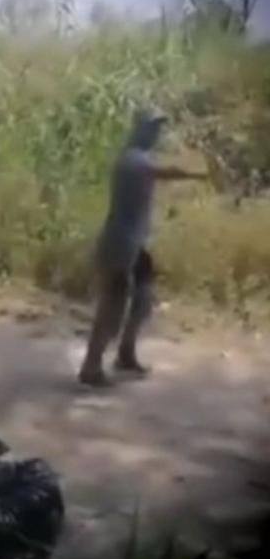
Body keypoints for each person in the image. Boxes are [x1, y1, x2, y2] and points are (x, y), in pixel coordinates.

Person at [78, 110, 207, 387]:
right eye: (151, 128)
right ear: (137, 129)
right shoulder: (131, 159)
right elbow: (163, 172)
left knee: (143, 299)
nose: (155, 134)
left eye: (157, 129)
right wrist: (198, 174)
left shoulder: (140, 157)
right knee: (112, 307)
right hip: (119, 243)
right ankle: (91, 367)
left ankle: (125, 353)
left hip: (135, 243)